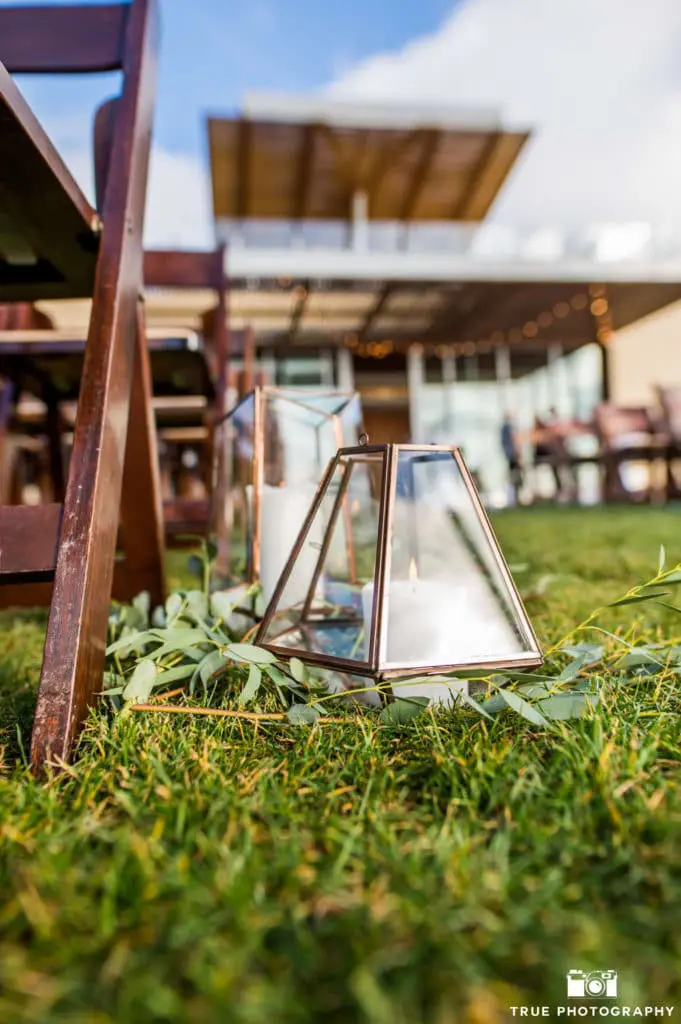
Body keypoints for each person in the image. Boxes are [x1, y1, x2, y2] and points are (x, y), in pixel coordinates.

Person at [500, 412, 523, 506]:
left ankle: (513, 500)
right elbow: (514, 440)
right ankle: (512, 500)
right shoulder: (508, 427)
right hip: (512, 457)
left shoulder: (504, 428)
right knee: (513, 478)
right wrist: (517, 454)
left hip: (510, 456)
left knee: (513, 477)